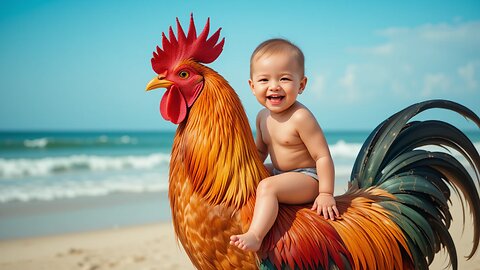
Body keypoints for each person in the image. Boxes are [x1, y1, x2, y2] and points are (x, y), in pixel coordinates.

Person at [230, 38, 339, 252]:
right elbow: (260, 150)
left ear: (301, 85)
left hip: (308, 178)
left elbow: (322, 157)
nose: (274, 86)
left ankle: (256, 235)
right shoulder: (262, 117)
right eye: (264, 80)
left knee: (267, 187)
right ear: (252, 86)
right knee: (253, 176)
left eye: (284, 78)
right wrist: (248, 168)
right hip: (281, 172)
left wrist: (326, 193)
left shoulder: (301, 117)